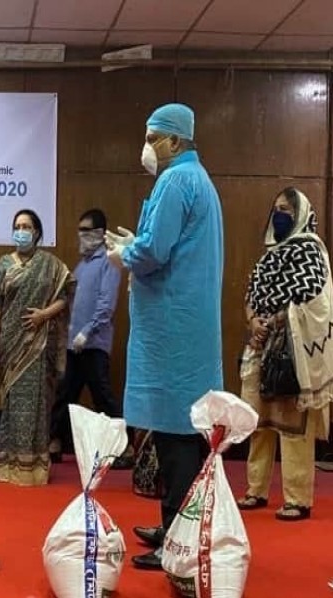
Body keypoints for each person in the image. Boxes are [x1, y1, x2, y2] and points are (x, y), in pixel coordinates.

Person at [106, 103, 224, 570]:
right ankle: (176, 522)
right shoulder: (197, 181)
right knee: (183, 433)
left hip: (174, 328)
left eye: (154, 137)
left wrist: (126, 253)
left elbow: (154, 251)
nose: (148, 146)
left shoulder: (176, 180)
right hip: (186, 325)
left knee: (177, 433)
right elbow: (166, 243)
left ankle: (177, 536)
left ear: (175, 141)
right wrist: (136, 244)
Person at [236, 187, 333, 521]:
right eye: (276, 208)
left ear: (301, 215)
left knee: (294, 426)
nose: (279, 215)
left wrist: (279, 320)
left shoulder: (311, 250)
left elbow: (315, 300)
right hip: (261, 346)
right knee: (258, 421)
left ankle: (298, 498)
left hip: (293, 350)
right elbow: (250, 295)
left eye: (286, 209)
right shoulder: (269, 255)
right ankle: (256, 489)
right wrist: (254, 321)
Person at [0, 209, 73, 486]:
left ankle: (33, 467)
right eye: (17, 226)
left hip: (37, 345)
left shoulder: (49, 264)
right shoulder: (4, 263)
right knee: (12, 403)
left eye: (26, 226)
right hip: (9, 343)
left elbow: (65, 296)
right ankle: (9, 464)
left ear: (37, 232)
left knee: (35, 402)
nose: (21, 231)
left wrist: (43, 315)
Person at [48, 208, 129, 467]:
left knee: (102, 396)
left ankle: (125, 448)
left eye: (87, 231)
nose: (82, 236)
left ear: (100, 233)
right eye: (80, 230)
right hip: (75, 344)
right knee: (65, 394)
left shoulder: (109, 261)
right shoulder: (81, 265)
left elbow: (106, 304)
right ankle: (54, 441)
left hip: (94, 344)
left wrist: (88, 331)